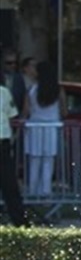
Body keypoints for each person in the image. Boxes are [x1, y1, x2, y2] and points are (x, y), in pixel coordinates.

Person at [21, 61, 65, 199]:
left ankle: (32, 191)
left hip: (34, 127)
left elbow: (26, 111)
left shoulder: (32, 89)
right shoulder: (58, 90)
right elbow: (64, 111)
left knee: (35, 160)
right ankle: (45, 191)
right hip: (51, 128)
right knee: (48, 160)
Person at [0, 78, 27, 226]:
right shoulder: (4, 92)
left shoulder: (3, 92)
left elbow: (11, 116)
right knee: (9, 184)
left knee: (9, 184)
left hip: (2, 142)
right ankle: (19, 220)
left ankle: (19, 220)